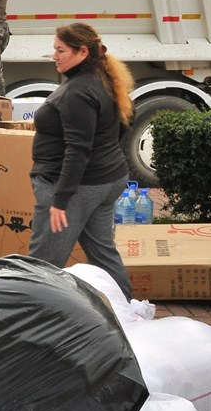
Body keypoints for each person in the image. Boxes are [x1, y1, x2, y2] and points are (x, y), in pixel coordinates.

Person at [28, 23, 135, 300]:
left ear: (82, 51)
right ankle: (127, 308)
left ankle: (32, 321)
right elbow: (122, 125)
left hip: (77, 187)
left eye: (60, 50)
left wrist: (60, 201)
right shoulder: (103, 78)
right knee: (103, 252)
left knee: (43, 263)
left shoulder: (78, 92)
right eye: (54, 49)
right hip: (105, 179)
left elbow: (78, 149)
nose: (54, 55)